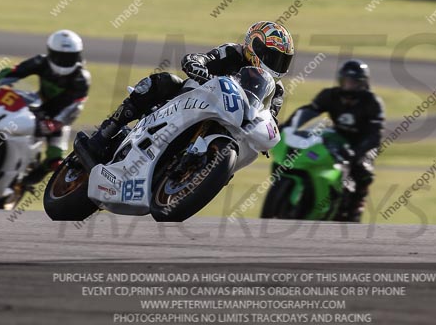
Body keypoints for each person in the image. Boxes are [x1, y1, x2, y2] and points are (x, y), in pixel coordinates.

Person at [83, 21, 294, 162]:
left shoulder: (275, 90)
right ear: (253, 46)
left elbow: (270, 117)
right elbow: (202, 59)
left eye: (281, 60)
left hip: (230, 123)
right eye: (270, 56)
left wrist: (267, 135)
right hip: (192, 100)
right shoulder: (232, 52)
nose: (274, 64)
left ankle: (206, 170)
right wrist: (197, 66)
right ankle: (106, 132)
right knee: (162, 82)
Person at [0, 30, 90, 183]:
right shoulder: (41, 62)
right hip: (36, 106)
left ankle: (29, 180)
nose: (64, 61)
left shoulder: (81, 78)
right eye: (60, 56)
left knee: (56, 159)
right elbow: (14, 72)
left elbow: (75, 106)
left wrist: (56, 123)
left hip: (57, 119)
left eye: (69, 57)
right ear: (51, 53)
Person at [284, 59, 385, 222]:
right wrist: (289, 125)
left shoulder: (372, 102)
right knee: (314, 146)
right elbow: (310, 110)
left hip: (363, 141)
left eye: (353, 82)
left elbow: (375, 134)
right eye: (346, 81)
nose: (348, 86)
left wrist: (357, 153)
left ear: (363, 83)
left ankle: (355, 206)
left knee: (362, 169)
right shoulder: (330, 95)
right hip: (338, 135)